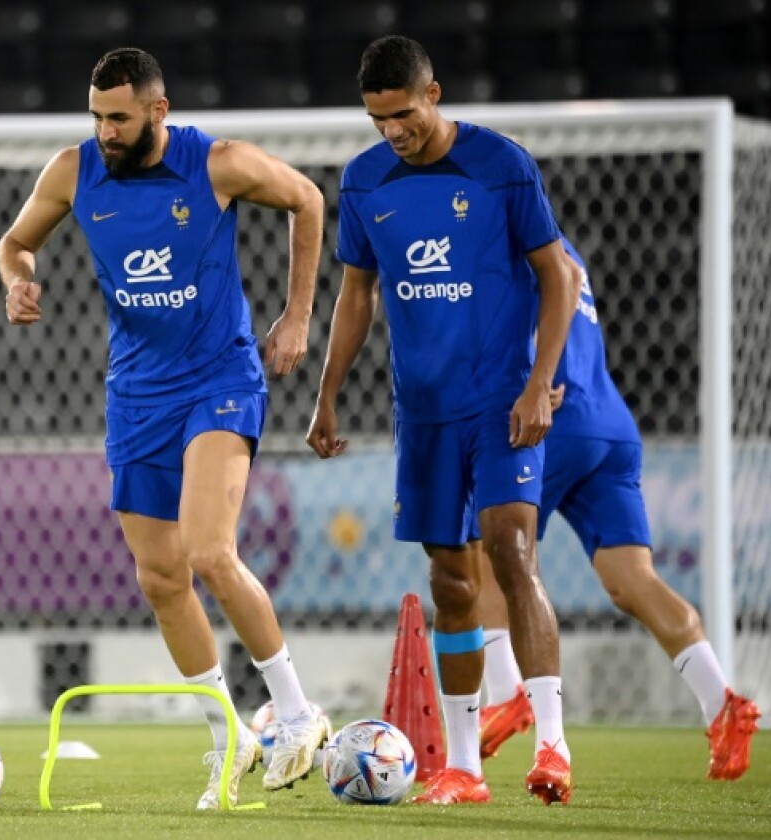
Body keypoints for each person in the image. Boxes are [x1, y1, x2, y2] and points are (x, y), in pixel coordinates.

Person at [0, 47, 328, 810]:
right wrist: (18, 279)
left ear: (157, 110)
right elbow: (15, 243)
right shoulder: (73, 172)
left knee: (211, 551)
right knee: (160, 576)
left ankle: (295, 712)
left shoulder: (217, 163)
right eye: (95, 116)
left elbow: (308, 199)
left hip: (219, 380)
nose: (104, 130)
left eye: (117, 117)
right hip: (136, 395)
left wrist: (298, 313)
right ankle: (229, 740)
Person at [307, 35, 578, 805]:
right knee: (450, 582)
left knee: (511, 547)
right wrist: (327, 395)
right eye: (376, 119)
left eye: (401, 114)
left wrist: (539, 382)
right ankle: (463, 765)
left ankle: (553, 747)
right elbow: (357, 294)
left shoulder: (501, 165)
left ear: (433, 92)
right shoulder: (364, 183)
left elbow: (555, 274)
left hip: (500, 401)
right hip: (421, 412)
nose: (392, 131)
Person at [475, 237, 761, 780]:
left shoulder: (513, 234)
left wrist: (538, 373)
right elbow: (568, 280)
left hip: (558, 420)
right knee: (632, 580)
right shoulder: (564, 242)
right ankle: (722, 704)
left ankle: (507, 692)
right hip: (610, 423)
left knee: (490, 551)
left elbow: (554, 286)